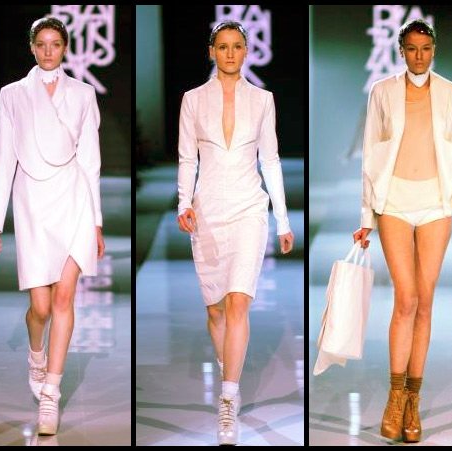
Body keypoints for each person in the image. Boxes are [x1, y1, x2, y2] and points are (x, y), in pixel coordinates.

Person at [352, 19, 452, 443]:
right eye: (412, 48)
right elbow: (370, 156)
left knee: (424, 302)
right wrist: (366, 218)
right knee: (405, 298)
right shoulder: (382, 91)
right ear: (401, 50)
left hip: (437, 204)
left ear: (434, 49)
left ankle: (412, 401)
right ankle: (394, 397)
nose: (419, 55)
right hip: (393, 201)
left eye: (425, 48)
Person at [0, 17, 104, 436]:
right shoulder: (13, 94)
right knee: (41, 307)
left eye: (56, 44)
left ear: (65, 48)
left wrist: (97, 221)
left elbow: (90, 159)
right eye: (42, 44)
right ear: (32, 48)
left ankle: (51, 392)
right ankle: (36, 354)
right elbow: (2, 157)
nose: (49, 51)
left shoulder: (83, 93)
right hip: (32, 201)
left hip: (73, 199)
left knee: (65, 297)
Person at [175, 20, 294, 446]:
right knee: (216, 311)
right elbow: (187, 158)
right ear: (211, 51)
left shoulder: (263, 100)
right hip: (208, 211)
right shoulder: (192, 99)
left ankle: (228, 398)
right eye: (222, 46)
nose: (229, 53)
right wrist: (183, 203)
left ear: (246, 51)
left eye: (237, 46)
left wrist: (283, 220)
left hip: (248, 208)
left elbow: (271, 160)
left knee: (239, 301)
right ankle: (230, 373)